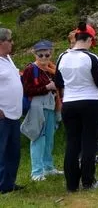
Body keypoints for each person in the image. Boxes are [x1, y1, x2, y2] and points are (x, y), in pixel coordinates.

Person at [55, 23, 98, 191]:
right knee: (89, 141)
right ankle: (88, 180)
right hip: (91, 101)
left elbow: (58, 82)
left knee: (72, 142)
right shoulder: (91, 58)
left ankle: (71, 184)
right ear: (89, 39)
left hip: (69, 102)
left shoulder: (62, 56)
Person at [20, 40, 62, 182]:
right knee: (38, 137)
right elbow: (26, 90)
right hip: (37, 107)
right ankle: (36, 171)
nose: (44, 57)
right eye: (41, 55)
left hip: (50, 105)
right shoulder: (31, 69)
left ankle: (48, 167)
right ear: (35, 54)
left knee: (49, 138)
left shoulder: (52, 69)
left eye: (47, 54)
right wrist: (46, 88)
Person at [0, 28, 23, 194]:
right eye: (10, 40)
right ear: (1, 42)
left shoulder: (8, 59)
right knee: (1, 150)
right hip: (2, 113)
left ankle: (9, 183)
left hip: (14, 112)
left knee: (13, 151)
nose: (12, 43)